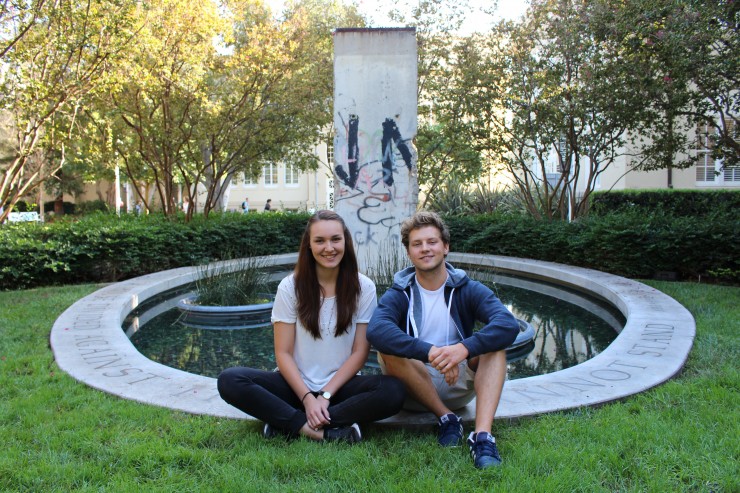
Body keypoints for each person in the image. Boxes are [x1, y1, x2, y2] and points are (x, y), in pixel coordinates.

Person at [218, 210, 405, 443]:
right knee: (230, 379)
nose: (329, 248)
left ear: (345, 240)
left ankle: (287, 423)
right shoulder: (290, 287)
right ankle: (322, 430)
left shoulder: (363, 287)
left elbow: (359, 353)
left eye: (336, 239)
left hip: (340, 389)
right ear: (308, 245)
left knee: (394, 391)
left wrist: (325, 395)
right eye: (320, 241)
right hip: (295, 388)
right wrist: (308, 398)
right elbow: (283, 353)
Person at [367, 211, 519, 468]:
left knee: (495, 348)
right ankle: (447, 418)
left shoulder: (467, 288)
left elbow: (507, 324)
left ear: (445, 247)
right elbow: (377, 330)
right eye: (417, 244)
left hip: (459, 383)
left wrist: (461, 349)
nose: (425, 249)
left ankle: (482, 438)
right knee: (387, 350)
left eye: (432, 242)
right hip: (415, 387)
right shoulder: (400, 292)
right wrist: (433, 353)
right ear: (409, 252)